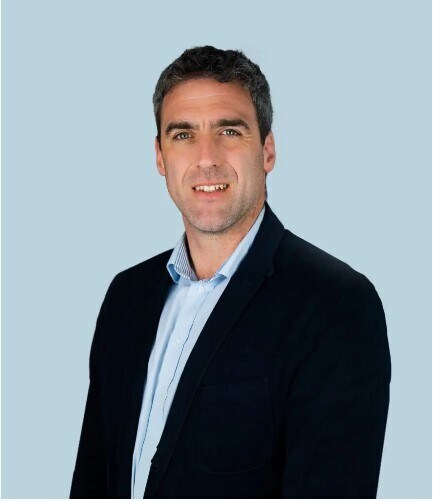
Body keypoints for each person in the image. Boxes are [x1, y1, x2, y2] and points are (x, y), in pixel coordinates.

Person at [70, 46, 391, 499]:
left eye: (229, 131)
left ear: (267, 150)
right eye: (183, 135)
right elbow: (92, 480)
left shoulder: (336, 305)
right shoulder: (126, 296)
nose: (207, 158)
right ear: (160, 157)